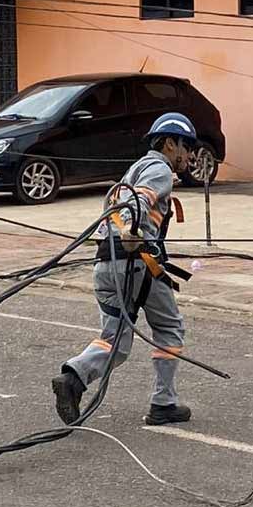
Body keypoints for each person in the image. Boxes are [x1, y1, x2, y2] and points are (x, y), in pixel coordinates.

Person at [52, 112, 200, 426]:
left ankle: (74, 377)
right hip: (137, 265)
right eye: (186, 146)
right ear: (169, 143)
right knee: (170, 328)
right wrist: (133, 230)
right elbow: (140, 202)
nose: (189, 155)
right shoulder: (158, 168)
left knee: (115, 340)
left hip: (106, 266)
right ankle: (164, 403)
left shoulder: (132, 171)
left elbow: (122, 205)